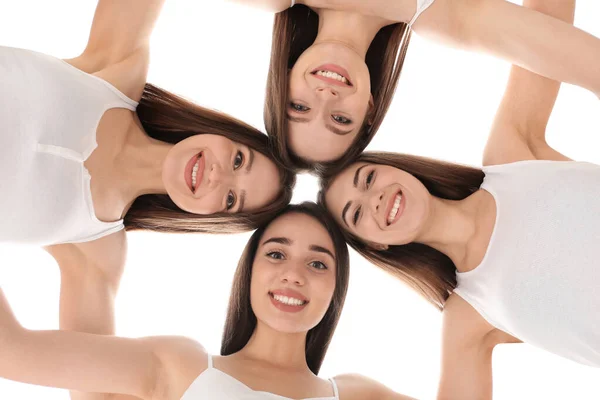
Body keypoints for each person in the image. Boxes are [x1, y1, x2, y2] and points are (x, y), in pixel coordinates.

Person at [1, 2, 294, 398]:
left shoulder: (94, 249)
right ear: (227, 134)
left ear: (209, 218)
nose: (216, 175)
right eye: (239, 159)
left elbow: (84, 386)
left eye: (229, 199)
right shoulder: (115, 70)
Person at [320, 0, 599, 397]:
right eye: (357, 214)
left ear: (398, 167)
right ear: (375, 244)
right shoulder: (468, 316)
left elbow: (545, 21)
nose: (376, 199)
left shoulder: (511, 156)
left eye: (368, 178)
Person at [0, 203, 417, 400]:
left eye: (318, 264)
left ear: (336, 291)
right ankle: (87, 268)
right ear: (248, 271)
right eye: (276, 254)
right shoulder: (182, 365)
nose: (294, 274)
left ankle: (87, 268)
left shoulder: (358, 396)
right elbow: (10, 351)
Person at [233, 0, 600, 172]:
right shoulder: (443, 17)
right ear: (370, 108)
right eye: (341, 119)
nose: (326, 99)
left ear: (282, 80)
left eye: (299, 108)